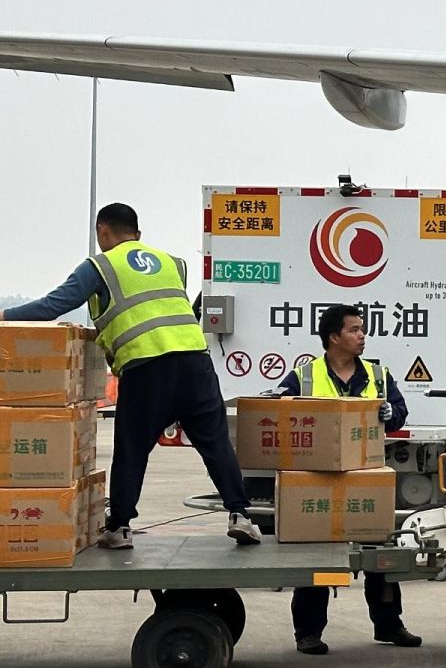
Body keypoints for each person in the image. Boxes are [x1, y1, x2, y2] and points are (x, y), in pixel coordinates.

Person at [0, 203, 258, 549]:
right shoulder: (172, 263)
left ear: (101, 230)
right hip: (196, 364)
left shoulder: (99, 266)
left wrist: (3, 315)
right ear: (137, 233)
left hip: (146, 368)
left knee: (132, 450)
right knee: (214, 443)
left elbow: (51, 307)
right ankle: (240, 515)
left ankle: (120, 527)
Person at [277, 304, 419, 653]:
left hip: (367, 476)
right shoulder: (305, 375)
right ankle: (308, 633)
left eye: (362, 330)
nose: (362, 336)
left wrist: (392, 412)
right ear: (333, 337)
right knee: (317, 558)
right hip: (318, 477)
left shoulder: (378, 375)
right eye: (355, 330)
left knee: (379, 556)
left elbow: (399, 413)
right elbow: (279, 408)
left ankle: (389, 625)